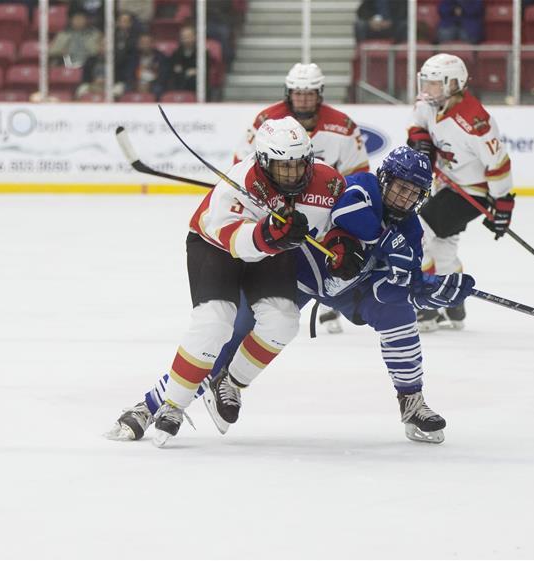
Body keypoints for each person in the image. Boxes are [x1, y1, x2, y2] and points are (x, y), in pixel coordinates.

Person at [107, 147, 475, 445]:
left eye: (413, 193)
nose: (404, 197)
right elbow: (348, 213)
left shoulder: (411, 230)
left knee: (400, 314)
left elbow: (393, 286)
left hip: (344, 289)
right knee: (226, 337)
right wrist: (383, 240)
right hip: (293, 277)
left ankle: (412, 402)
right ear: (384, 179)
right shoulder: (362, 186)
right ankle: (151, 406)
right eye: (399, 187)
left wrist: (425, 291)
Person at [117, 116, 351, 446]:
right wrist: (270, 234)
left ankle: (231, 383)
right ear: (264, 161)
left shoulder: (329, 183)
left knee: (283, 323)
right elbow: (234, 242)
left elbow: (339, 223)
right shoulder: (238, 184)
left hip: (273, 252)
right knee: (214, 325)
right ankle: (171, 405)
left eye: (299, 164)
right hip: (217, 249)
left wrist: (341, 243)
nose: (293, 174)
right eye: (283, 167)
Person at [234, 62, 371, 333]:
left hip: (324, 204)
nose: (304, 99)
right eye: (298, 93)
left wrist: (338, 206)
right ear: (289, 93)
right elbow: (242, 165)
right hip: (276, 204)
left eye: (309, 93)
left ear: (320, 93)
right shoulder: (265, 122)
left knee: (335, 252)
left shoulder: (343, 126)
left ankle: (334, 296)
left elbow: (358, 173)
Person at [407, 53, 514, 332]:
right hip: (446, 185)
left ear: (453, 83)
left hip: (472, 194)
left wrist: (503, 203)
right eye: (425, 82)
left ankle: (427, 308)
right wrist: (420, 141)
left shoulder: (476, 122)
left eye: (434, 83)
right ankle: (454, 305)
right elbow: (416, 126)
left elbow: (498, 164)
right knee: (442, 249)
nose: (426, 89)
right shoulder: (428, 104)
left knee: (415, 234)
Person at [167, 25, 212, 93]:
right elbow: (175, 69)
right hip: (180, 81)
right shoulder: (176, 53)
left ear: (194, 37)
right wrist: (187, 71)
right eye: (184, 37)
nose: (186, 40)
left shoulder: (202, 53)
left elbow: (205, 69)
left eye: (188, 37)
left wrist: (196, 71)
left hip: (197, 83)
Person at [123, 33, 169, 99]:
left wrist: (150, 85)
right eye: (142, 43)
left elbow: (163, 75)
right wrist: (136, 84)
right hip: (136, 83)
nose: (145, 45)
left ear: (152, 44)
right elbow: (128, 74)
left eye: (147, 43)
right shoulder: (133, 57)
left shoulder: (160, 57)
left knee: (158, 90)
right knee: (126, 89)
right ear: (138, 44)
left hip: (154, 84)